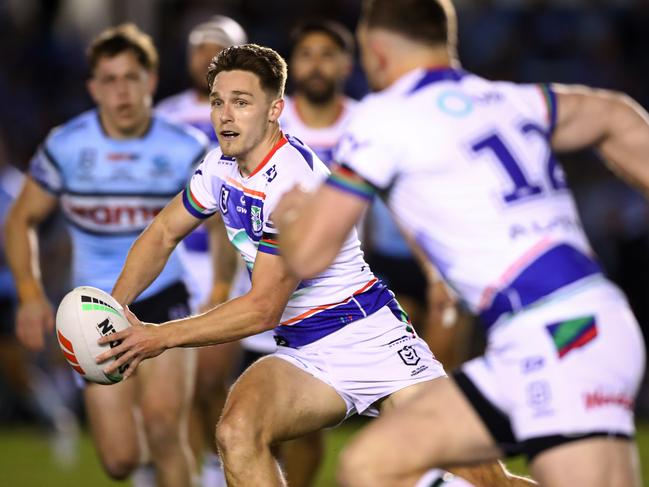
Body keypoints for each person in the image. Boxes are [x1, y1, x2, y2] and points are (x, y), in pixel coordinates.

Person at [96, 43, 531, 487]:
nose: (225, 115)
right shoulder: (218, 166)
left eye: (241, 103)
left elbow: (262, 308)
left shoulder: (292, 181)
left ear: (274, 109)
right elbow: (163, 233)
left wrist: (158, 337)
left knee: (484, 480)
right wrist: (112, 309)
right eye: (217, 102)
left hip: (370, 338)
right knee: (238, 431)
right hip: (305, 348)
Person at [273, 1, 647, 486]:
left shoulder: (385, 117)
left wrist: (292, 217)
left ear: (376, 51)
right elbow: (615, 115)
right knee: (370, 467)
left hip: (562, 335)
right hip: (545, 332)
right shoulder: (510, 100)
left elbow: (307, 256)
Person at [5, 23, 207, 486]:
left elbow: (220, 226)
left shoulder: (185, 147)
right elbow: (21, 219)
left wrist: (218, 285)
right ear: (93, 87)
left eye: (131, 78)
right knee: (119, 460)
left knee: (164, 426)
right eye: (109, 80)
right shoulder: (67, 145)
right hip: (89, 307)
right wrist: (31, 293)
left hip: (164, 297)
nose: (121, 91)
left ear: (151, 82)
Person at [156, 16, 247, 487]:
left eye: (216, 49)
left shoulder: (255, 110)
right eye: (198, 49)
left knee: (211, 376)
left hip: (228, 252)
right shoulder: (166, 114)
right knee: (183, 383)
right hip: (177, 260)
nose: (204, 58)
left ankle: (217, 464)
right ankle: (199, 469)